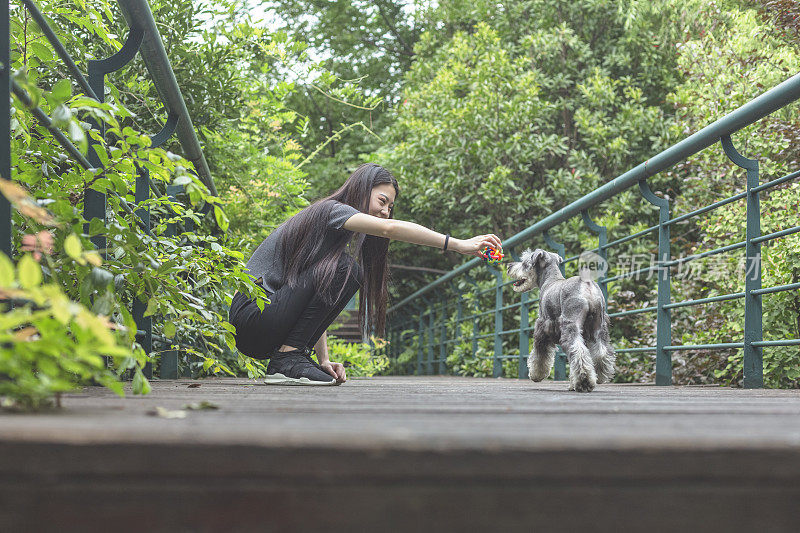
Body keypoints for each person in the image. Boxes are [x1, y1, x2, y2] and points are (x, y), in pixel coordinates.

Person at [228, 163, 503, 386]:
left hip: (263, 325)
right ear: (362, 189)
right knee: (347, 269)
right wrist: (458, 244)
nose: (385, 212)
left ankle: (290, 358)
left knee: (344, 269)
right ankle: (286, 361)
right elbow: (389, 229)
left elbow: (310, 306)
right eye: (382, 201)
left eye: (390, 207)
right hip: (252, 315)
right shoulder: (332, 211)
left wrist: (322, 359)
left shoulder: (330, 237)